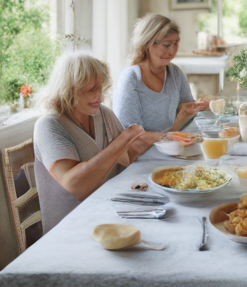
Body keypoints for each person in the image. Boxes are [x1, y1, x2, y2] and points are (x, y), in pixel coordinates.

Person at [34, 52, 162, 233]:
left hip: (109, 213)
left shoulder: (103, 113)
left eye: (101, 88)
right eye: (92, 90)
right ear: (70, 88)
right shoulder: (49, 125)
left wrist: (161, 138)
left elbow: (125, 158)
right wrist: (124, 139)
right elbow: (75, 186)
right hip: (71, 227)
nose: (100, 97)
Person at [113, 14, 208, 132]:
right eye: (166, 45)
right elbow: (130, 135)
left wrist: (196, 109)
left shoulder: (176, 74)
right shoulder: (130, 78)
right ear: (148, 44)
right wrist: (170, 134)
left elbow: (185, 120)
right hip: (143, 150)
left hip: (168, 145)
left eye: (176, 43)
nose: (172, 51)